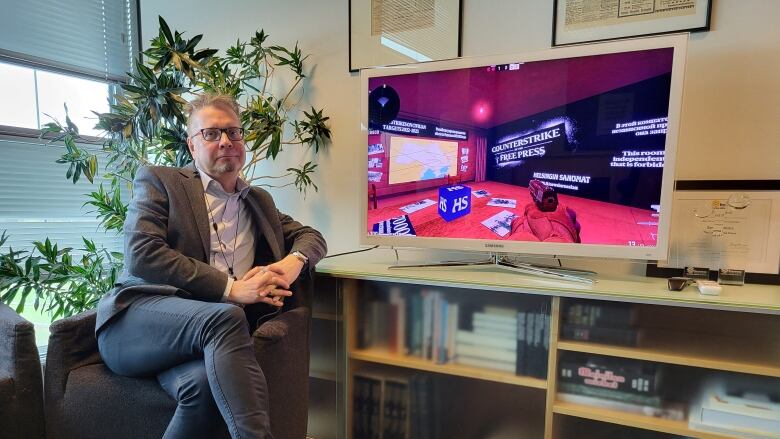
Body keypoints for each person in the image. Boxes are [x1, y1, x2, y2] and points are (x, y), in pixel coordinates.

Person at [95, 93, 327, 439]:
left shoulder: (258, 201)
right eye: (211, 133)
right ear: (192, 146)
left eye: (234, 132)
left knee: (203, 387)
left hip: (204, 342)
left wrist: (293, 263)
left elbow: (311, 236)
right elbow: (142, 253)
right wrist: (232, 289)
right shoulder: (163, 182)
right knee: (226, 315)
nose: (226, 142)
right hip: (135, 324)